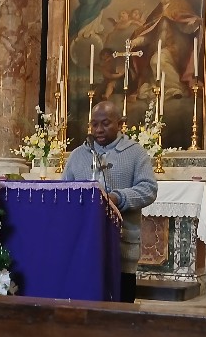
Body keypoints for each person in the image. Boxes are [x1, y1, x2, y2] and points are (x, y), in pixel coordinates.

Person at [63, 101, 158, 303]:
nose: (98, 129)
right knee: (85, 307)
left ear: (120, 123)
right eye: (94, 124)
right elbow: (64, 192)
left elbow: (148, 189)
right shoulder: (77, 156)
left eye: (105, 123)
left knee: (121, 310)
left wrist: (116, 198)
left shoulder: (136, 153)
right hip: (82, 246)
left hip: (122, 247)